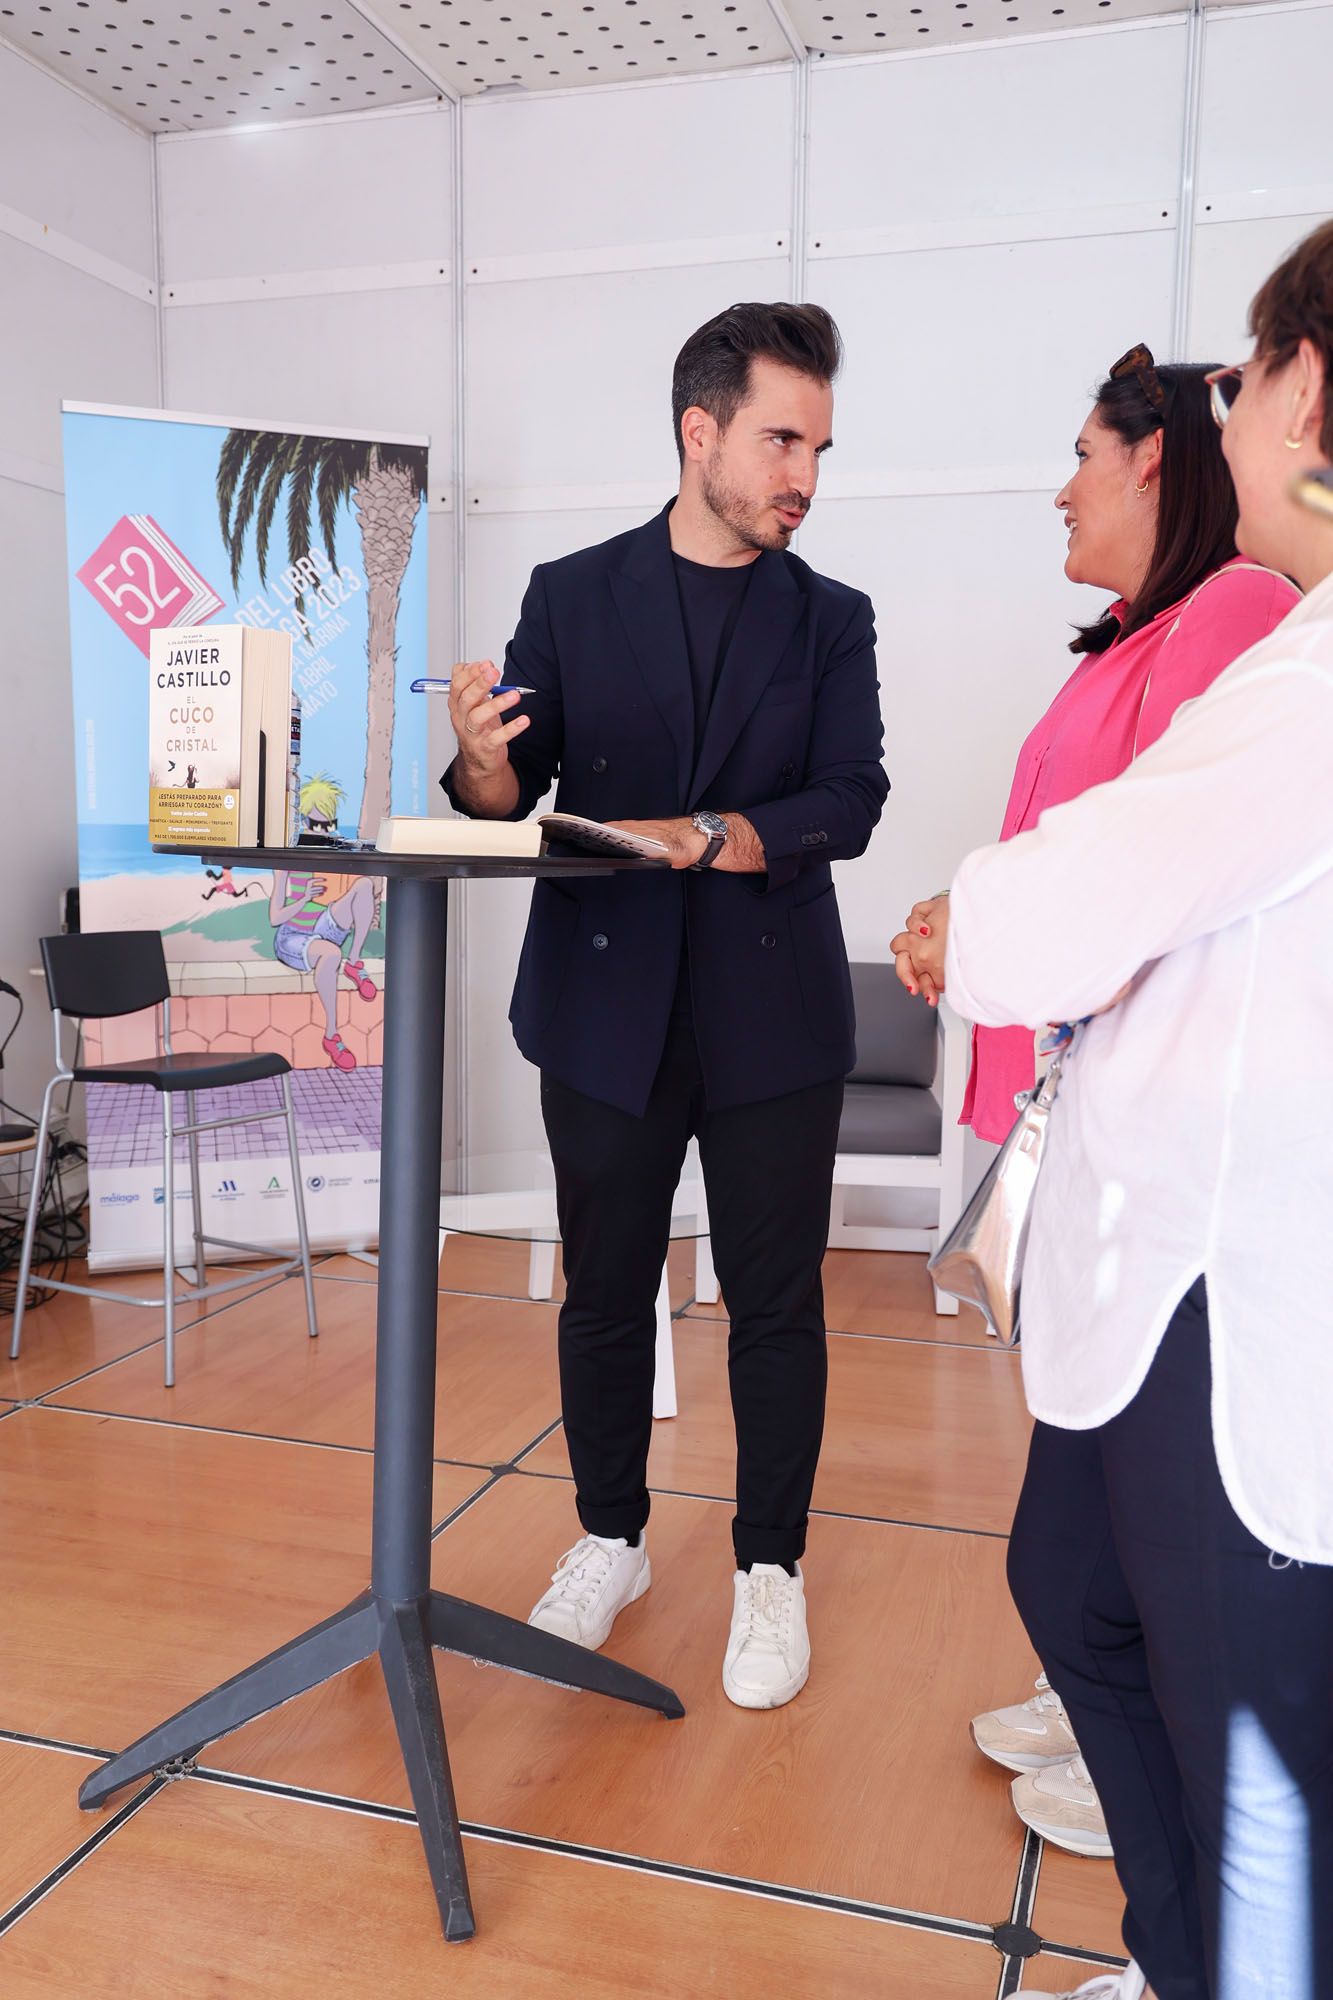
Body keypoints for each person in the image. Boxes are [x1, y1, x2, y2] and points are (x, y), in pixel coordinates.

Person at [891, 217, 1333, 2000]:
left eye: (1246, 378)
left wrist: (973, 915)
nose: (1230, 421)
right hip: (1148, 1231)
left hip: (1229, 1282)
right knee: (1080, 1592)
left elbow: (1087, 880)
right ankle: (1178, 1961)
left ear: (1307, 388)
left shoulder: (1287, 653)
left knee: (1246, 1750)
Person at [441, 303, 888, 1709]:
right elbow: (511, 793)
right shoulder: (570, 594)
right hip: (600, 1008)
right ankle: (610, 1538)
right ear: (700, 433)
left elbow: (848, 798)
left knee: (773, 1305)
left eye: (817, 443)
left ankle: (770, 1569)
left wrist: (713, 834)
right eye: (779, 438)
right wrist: (477, 760)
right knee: (604, 1291)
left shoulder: (832, 617)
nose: (803, 470)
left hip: (771, 1016)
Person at [268, 773, 380, 1072]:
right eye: (315, 825)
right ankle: (332, 1035)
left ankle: (355, 962)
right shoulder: (285, 860)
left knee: (364, 886)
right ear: (301, 823)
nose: (322, 831)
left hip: (320, 925)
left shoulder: (330, 851)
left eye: (328, 824)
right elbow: (275, 917)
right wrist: (303, 898)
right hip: (292, 938)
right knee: (331, 954)